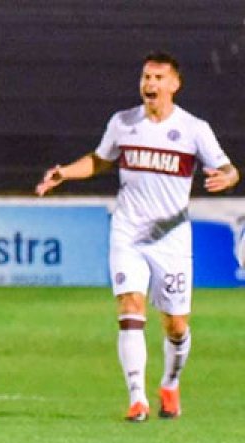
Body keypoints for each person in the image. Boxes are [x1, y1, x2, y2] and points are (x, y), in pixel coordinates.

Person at [35, 51, 239, 422]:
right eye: (146, 77)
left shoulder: (194, 129)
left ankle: (170, 383)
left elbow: (227, 168)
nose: (150, 84)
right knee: (130, 308)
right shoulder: (123, 122)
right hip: (127, 231)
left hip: (171, 238)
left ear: (174, 85)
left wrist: (228, 176)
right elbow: (100, 160)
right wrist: (64, 172)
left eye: (159, 78)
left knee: (176, 324)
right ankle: (137, 398)